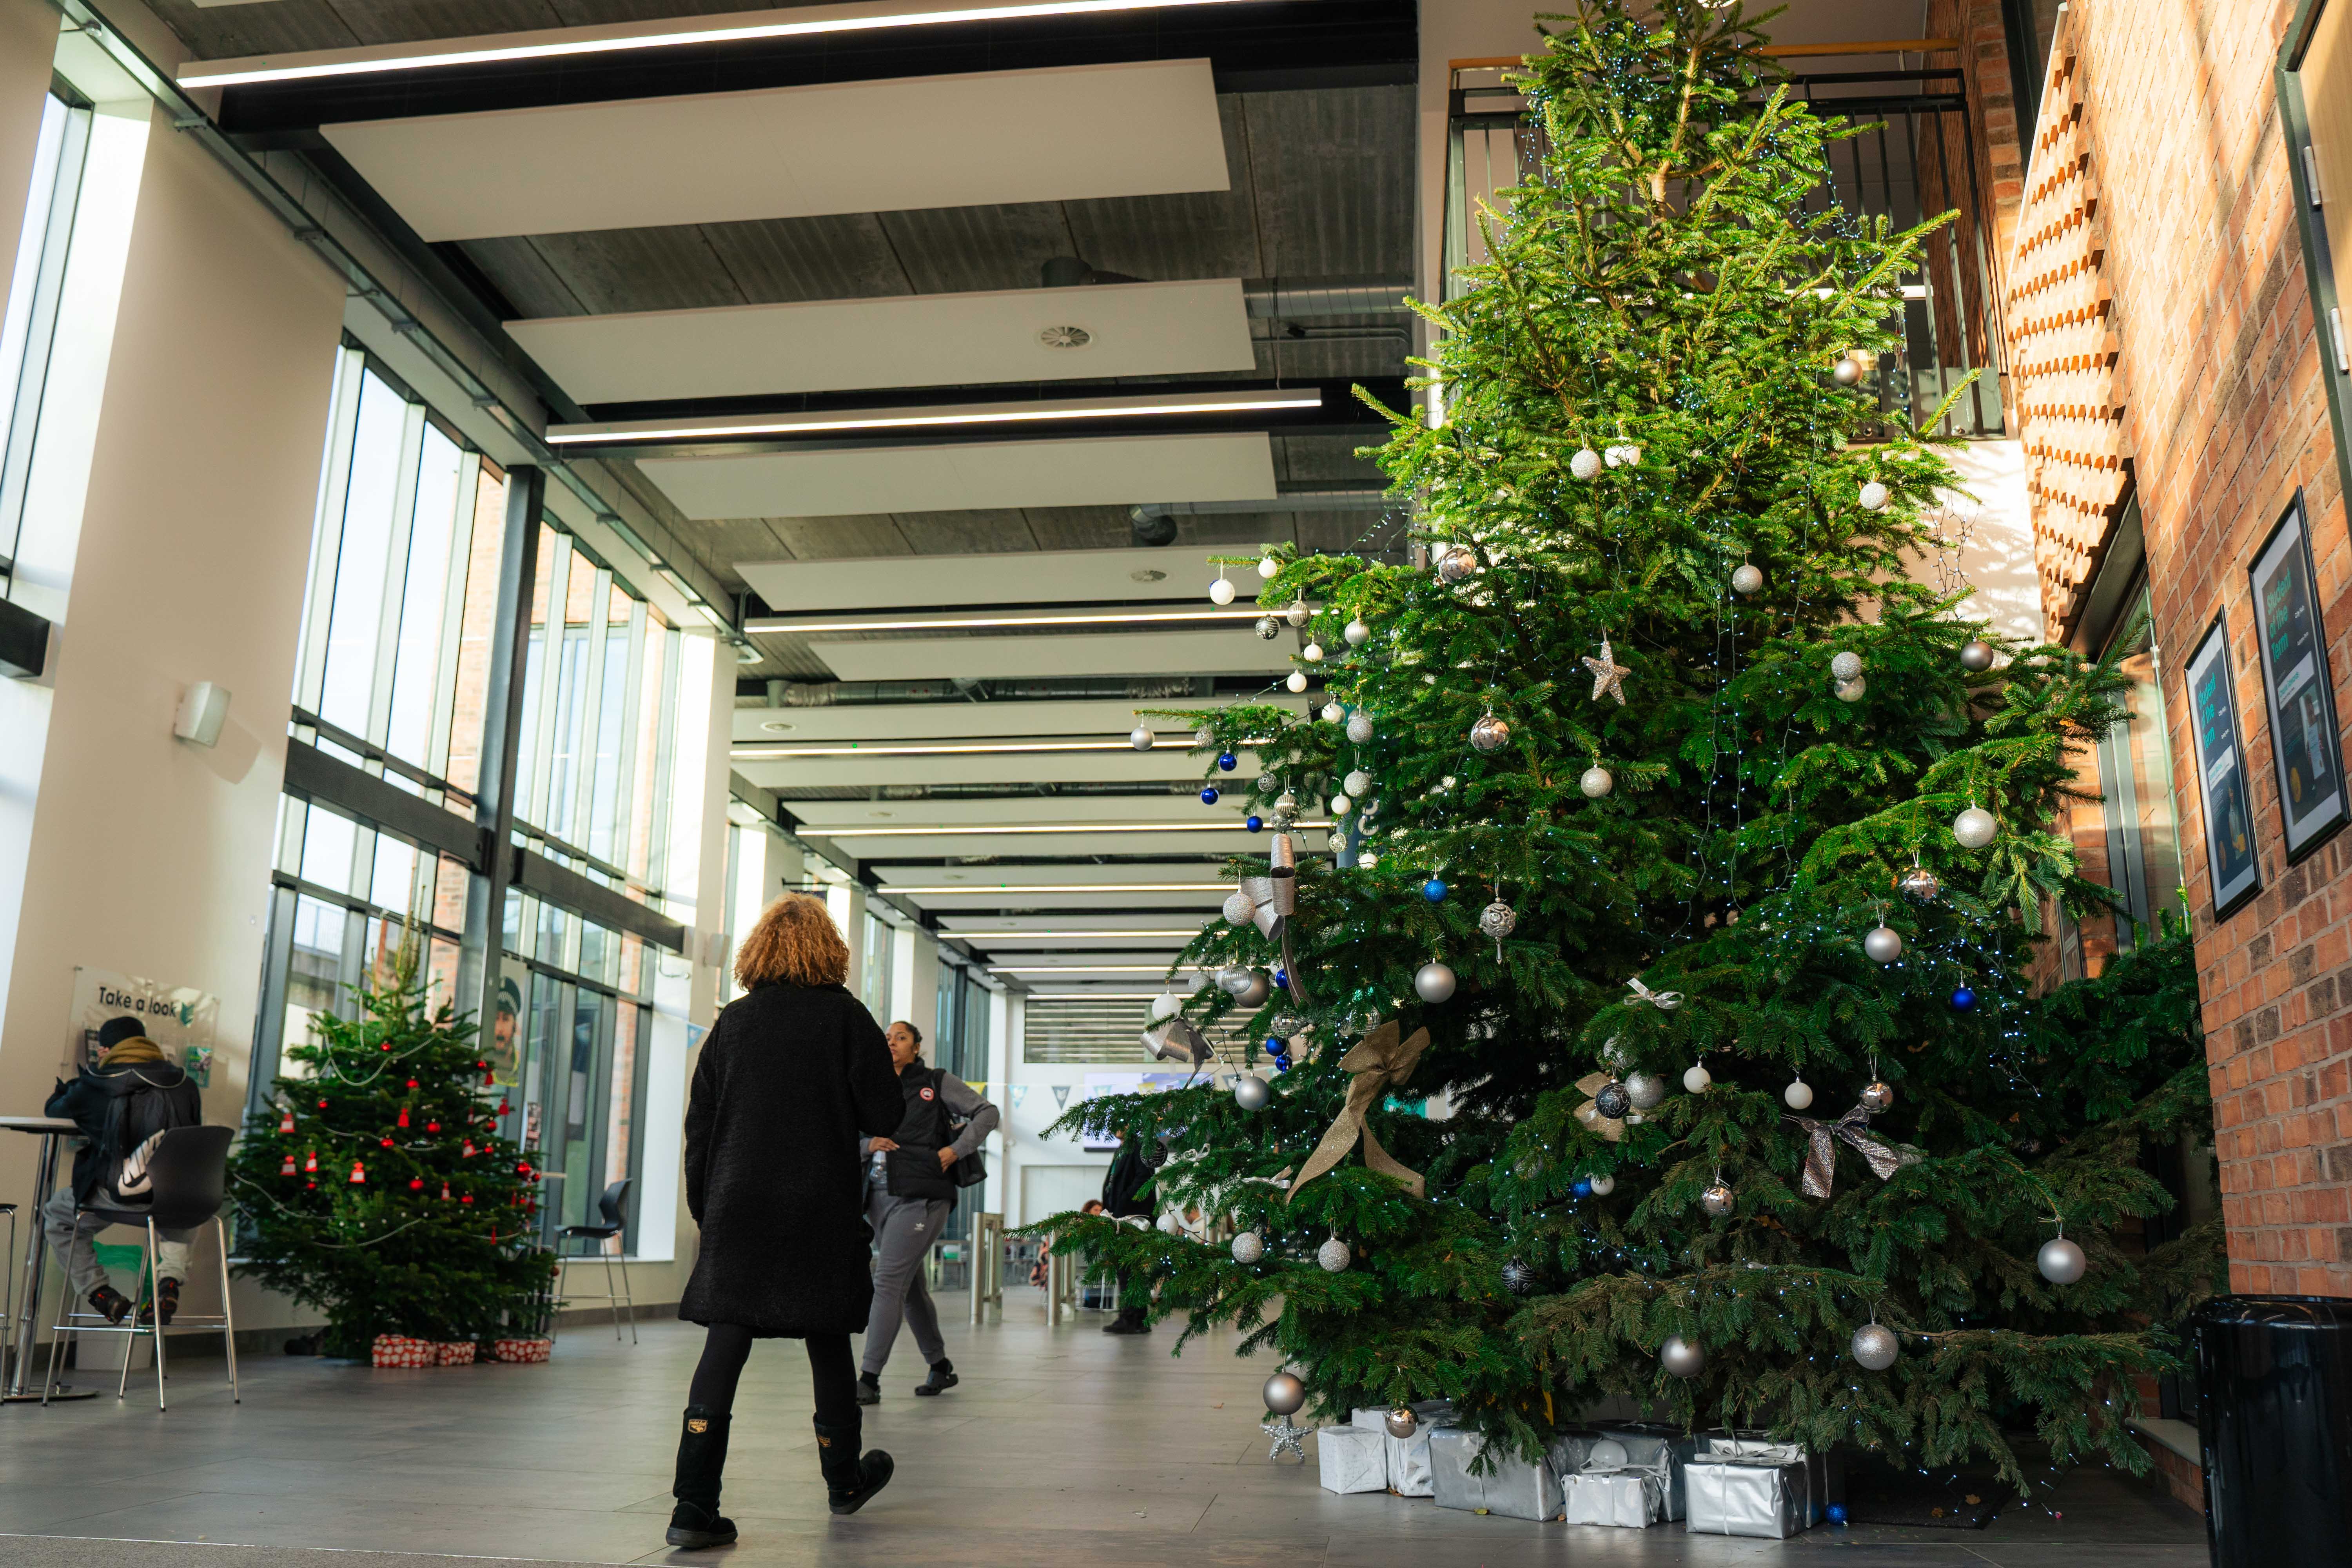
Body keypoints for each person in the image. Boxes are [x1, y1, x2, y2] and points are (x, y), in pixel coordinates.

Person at [671, 895, 904, 1548]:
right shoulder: (847, 1019)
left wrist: (707, 1208)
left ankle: (692, 1506)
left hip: (738, 1204)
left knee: (727, 1336)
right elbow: (885, 1115)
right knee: (826, 1334)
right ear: (829, 950)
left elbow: (701, 1129)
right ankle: (844, 1480)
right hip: (817, 1205)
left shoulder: (734, 1024)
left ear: (759, 950)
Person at [855, 1020, 999, 1404]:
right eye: (887, 1038)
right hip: (878, 1196)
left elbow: (988, 1112)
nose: (892, 1043)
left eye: (900, 1037)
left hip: (923, 1195)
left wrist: (957, 1150)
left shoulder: (935, 1081)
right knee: (911, 1287)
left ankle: (868, 1378)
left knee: (887, 1280)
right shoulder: (870, 1084)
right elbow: (846, 1134)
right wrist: (869, 1145)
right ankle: (940, 1365)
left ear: (916, 1047)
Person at [43, 1016, 203, 1327]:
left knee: (58, 1215)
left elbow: (55, 1108)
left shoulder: (97, 1085)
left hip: (119, 1195)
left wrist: (90, 1074)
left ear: (105, 1050)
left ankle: (101, 1293)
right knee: (180, 1206)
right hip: (173, 1196)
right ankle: (168, 1283)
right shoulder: (186, 1083)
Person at [1098, 1131, 1157, 1335]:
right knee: (1128, 1273)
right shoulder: (1122, 1150)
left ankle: (1133, 1319)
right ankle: (1132, 1318)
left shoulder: (1140, 1147)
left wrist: (1123, 1201)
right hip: (1119, 1219)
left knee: (1132, 1272)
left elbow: (1143, 1179)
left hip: (1133, 1220)